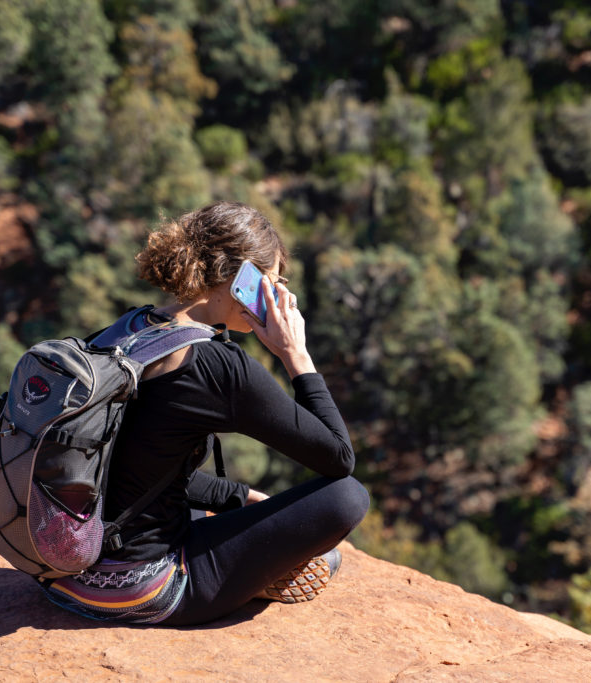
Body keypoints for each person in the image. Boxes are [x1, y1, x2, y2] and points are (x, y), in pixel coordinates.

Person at [41, 201, 370, 625]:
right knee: (348, 497)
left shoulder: (132, 328)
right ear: (243, 280)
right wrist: (296, 355)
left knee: (195, 498)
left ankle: (247, 562)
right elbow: (339, 459)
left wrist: (241, 498)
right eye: (271, 282)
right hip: (144, 586)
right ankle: (253, 573)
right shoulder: (219, 367)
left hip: (66, 565)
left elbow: (132, 465)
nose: (278, 298)